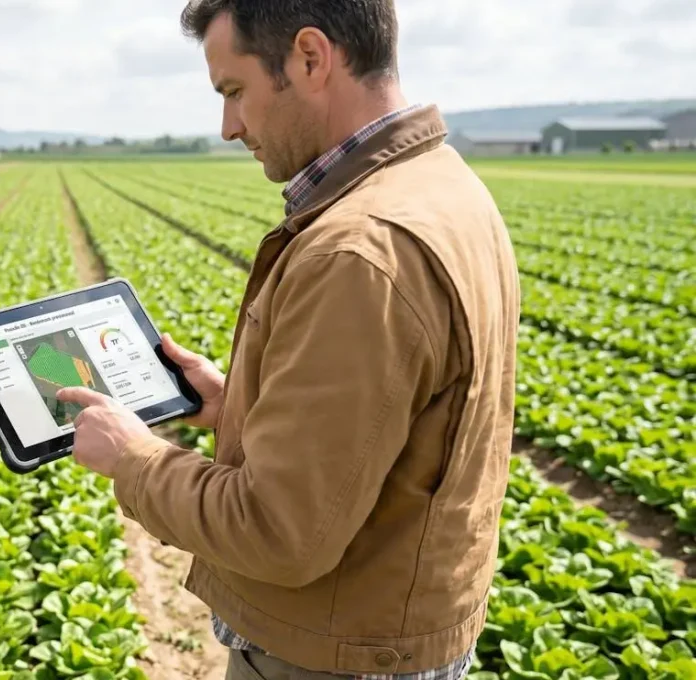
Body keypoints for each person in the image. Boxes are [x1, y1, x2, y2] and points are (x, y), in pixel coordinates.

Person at [53, 0, 522, 678]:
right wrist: (239, 407)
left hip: (330, 654)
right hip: (393, 624)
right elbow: (399, 422)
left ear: (310, 57)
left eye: (234, 91)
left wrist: (135, 460)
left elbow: (278, 532)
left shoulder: (359, 251)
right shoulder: (442, 184)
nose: (227, 127)